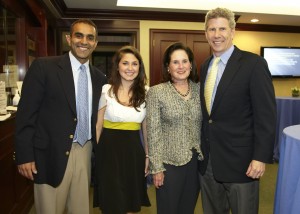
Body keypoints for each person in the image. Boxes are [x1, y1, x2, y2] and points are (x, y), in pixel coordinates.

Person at [14, 19, 107, 214]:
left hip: (85, 151)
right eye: (78, 35)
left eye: (90, 38)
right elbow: (26, 115)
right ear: (68, 39)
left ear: (96, 44)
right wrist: (24, 156)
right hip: (49, 153)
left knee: (80, 209)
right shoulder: (44, 67)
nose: (84, 41)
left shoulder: (100, 78)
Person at [198, 7, 276, 214]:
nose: (217, 35)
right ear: (206, 33)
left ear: (233, 31)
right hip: (209, 163)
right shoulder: (205, 66)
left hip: (242, 163)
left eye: (222, 29)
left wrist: (260, 157)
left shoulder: (254, 64)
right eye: (212, 29)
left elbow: (266, 116)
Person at [146, 42, 204, 214]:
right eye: (175, 62)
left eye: (184, 61)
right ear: (168, 67)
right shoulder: (156, 92)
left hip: (196, 163)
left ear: (191, 65)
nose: (181, 66)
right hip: (169, 165)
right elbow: (153, 132)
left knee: (188, 209)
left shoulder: (200, 90)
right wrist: (157, 168)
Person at [93, 45, 151, 214]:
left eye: (135, 64)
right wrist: (98, 155)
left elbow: (146, 129)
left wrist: (147, 155)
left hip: (134, 153)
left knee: (131, 201)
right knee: (112, 202)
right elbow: (98, 126)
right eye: (125, 63)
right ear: (117, 66)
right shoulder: (106, 90)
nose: (130, 68)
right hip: (109, 153)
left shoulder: (147, 92)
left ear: (140, 67)